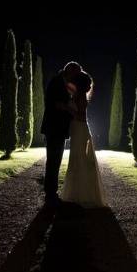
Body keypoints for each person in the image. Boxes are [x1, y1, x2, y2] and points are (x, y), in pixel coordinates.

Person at [61, 70, 108, 208]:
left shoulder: (79, 97)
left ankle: (78, 194)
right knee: (78, 158)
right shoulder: (79, 95)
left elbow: (79, 114)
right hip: (80, 128)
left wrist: (66, 107)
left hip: (79, 127)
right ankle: (80, 192)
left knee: (78, 158)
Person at [41, 61, 81, 207]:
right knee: (53, 160)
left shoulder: (66, 84)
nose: (75, 78)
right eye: (74, 74)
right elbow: (52, 103)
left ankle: (51, 192)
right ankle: (50, 194)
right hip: (53, 127)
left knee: (55, 161)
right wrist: (69, 109)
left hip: (59, 128)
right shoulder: (56, 81)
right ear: (69, 70)